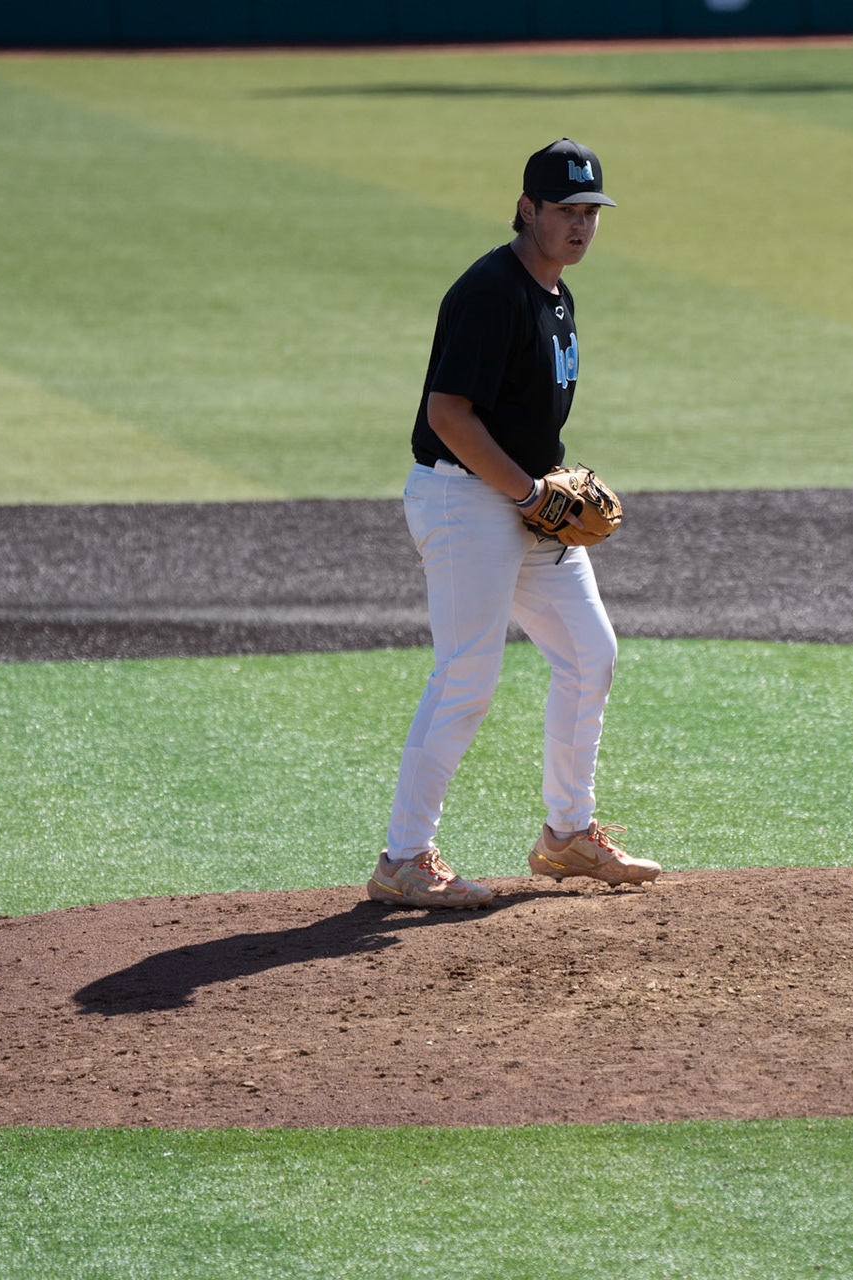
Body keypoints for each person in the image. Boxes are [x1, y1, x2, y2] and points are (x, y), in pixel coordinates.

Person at [368, 138, 661, 909]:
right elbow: (447, 414)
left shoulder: (556, 295)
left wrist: (540, 489)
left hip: (522, 503)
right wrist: (531, 494)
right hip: (465, 499)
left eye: (591, 210)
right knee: (467, 675)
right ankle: (404, 857)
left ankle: (567, 835)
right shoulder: (491, 292)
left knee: (590, 652)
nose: (580, 224)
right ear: (527, 209)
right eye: (565, 209)